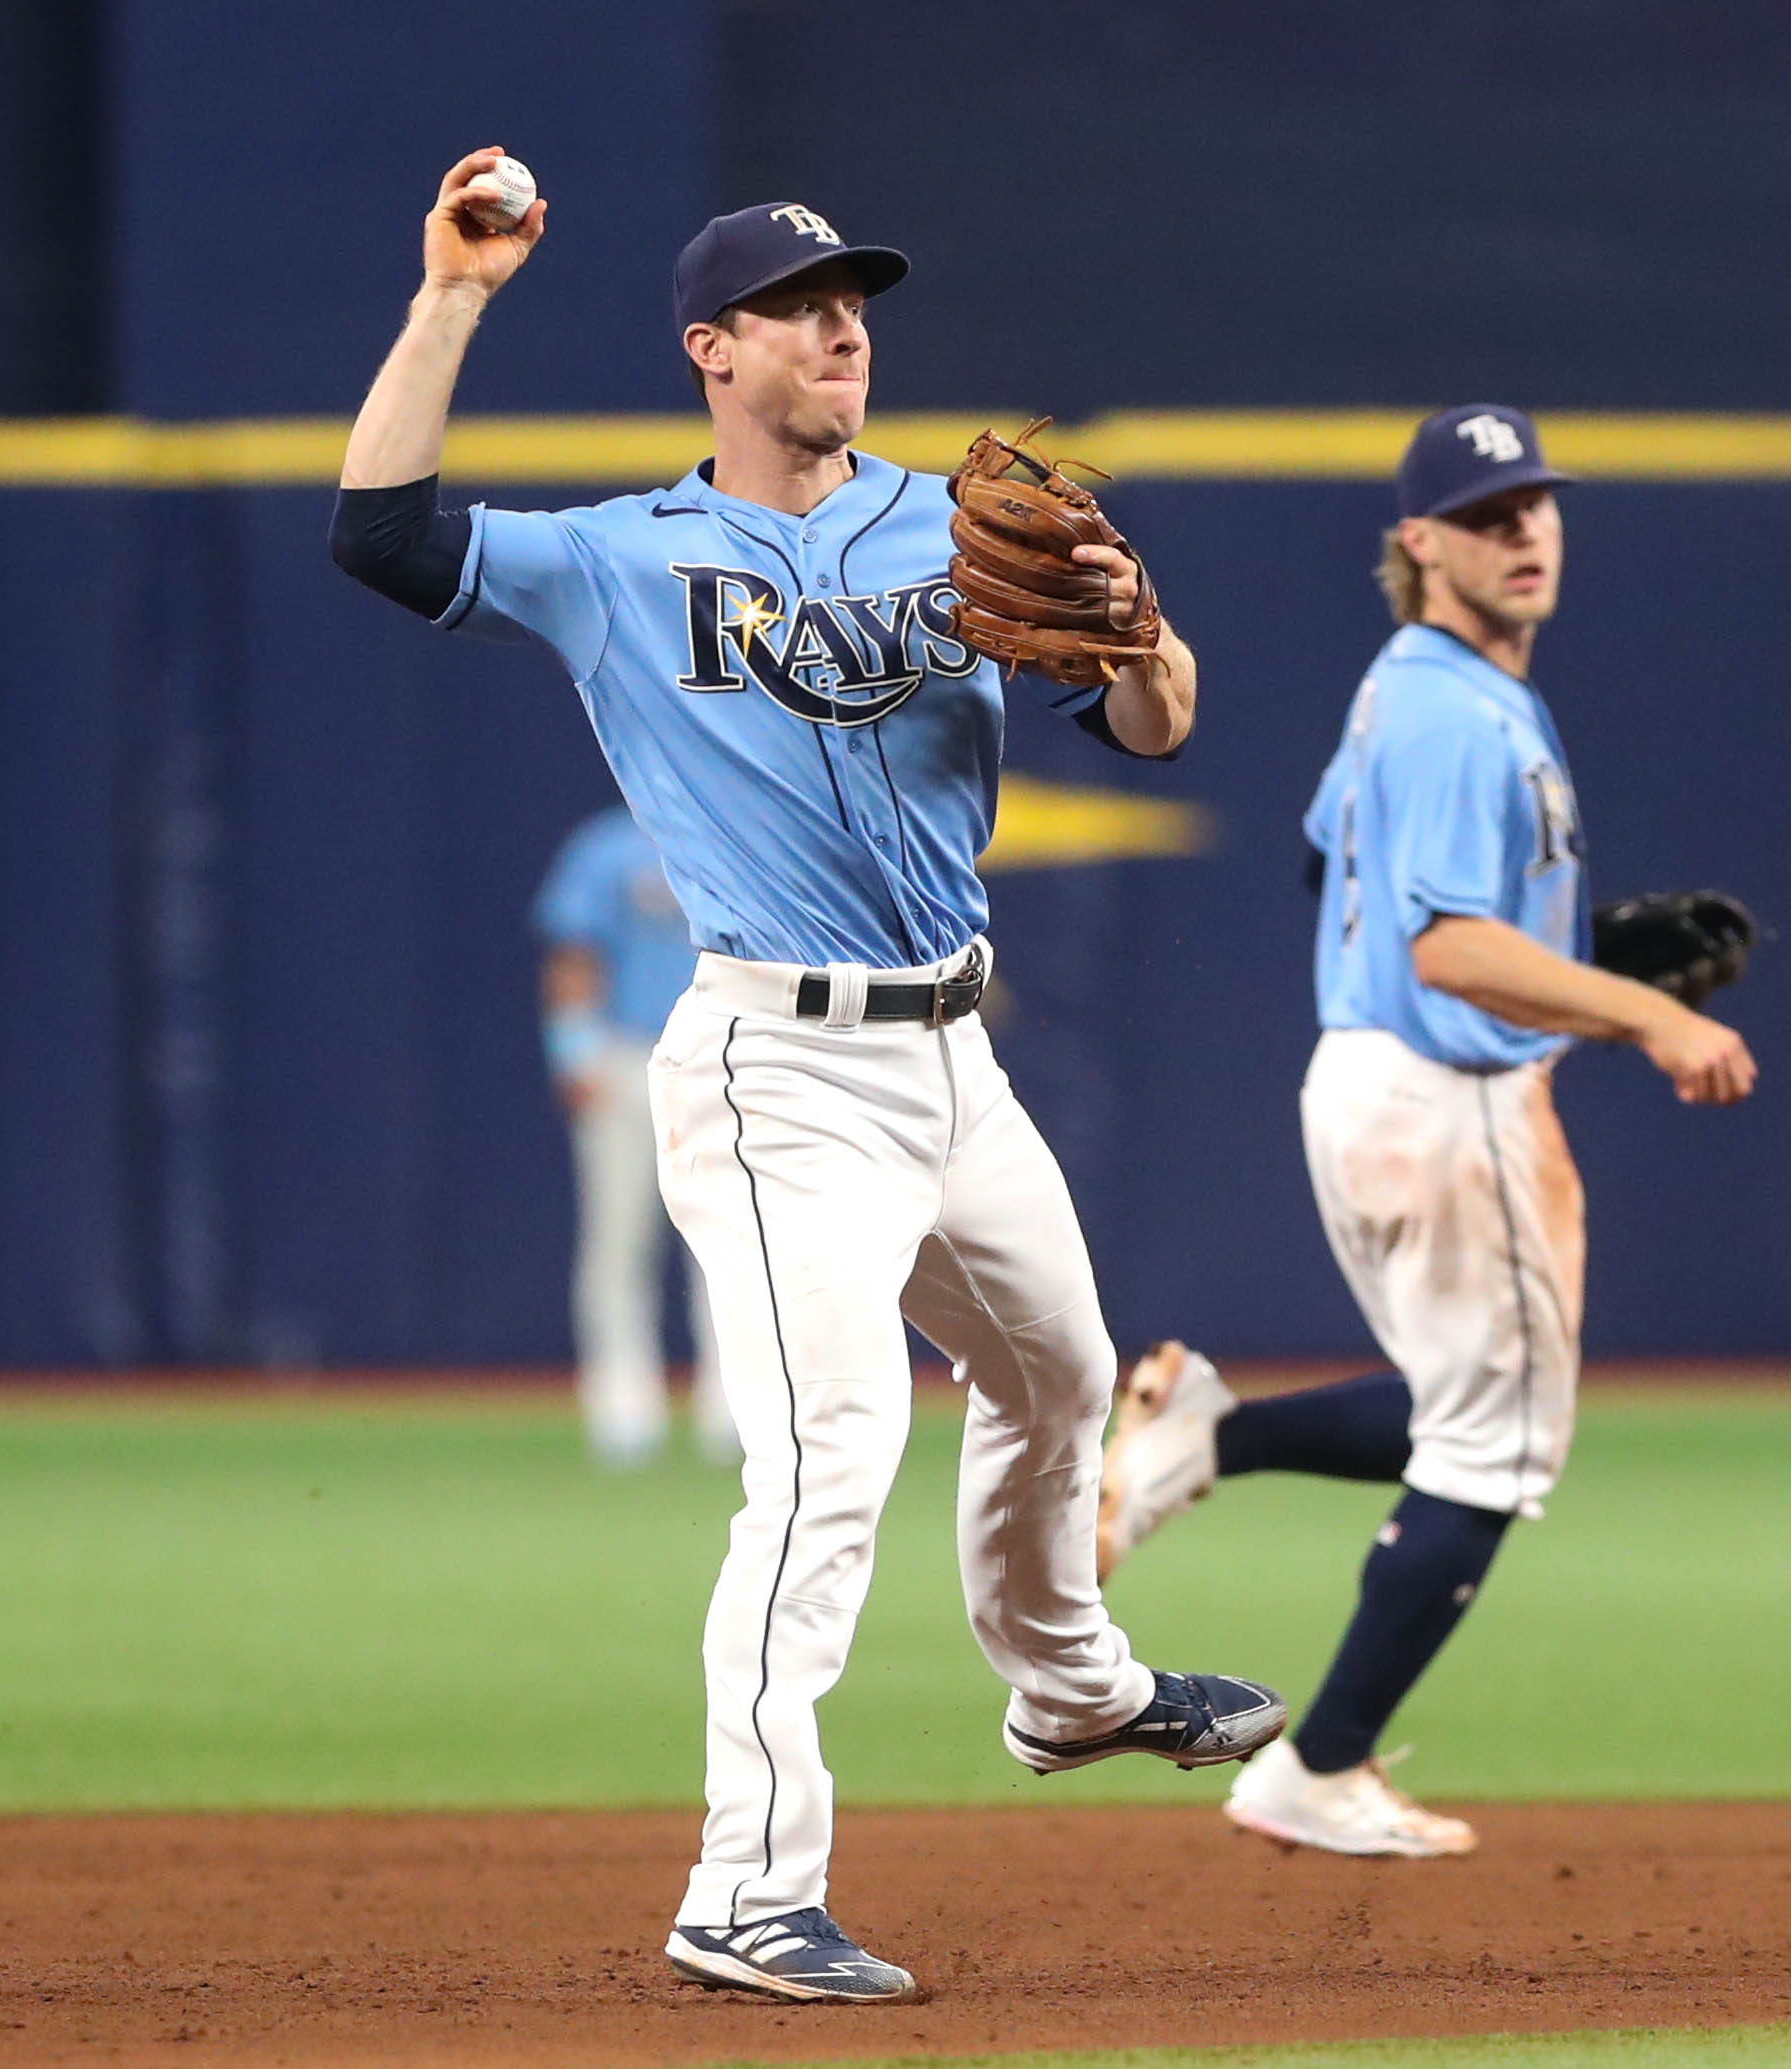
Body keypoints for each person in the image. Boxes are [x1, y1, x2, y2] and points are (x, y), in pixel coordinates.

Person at [327, 152, 1283, 2007]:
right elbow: (380, 533)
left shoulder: (959, 522)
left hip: (954, 1050)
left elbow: (1154, 726)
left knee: (1057, 1371)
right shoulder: (615, 558)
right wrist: (453, 296)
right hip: (775, 1067)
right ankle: (745, 1884)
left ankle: (1070, 1689)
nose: (845, 322)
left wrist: (1139, 628)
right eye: (800, 303)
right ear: (713, 348)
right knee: (826, 1457)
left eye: (856, 299)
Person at [1092, 405, 1757, 1858]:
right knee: (1500, 1448)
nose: (1520, 533)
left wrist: (1571, 949)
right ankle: (1315, 1765)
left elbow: (1336, 850)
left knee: (1468, 1407)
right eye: (1484, 514)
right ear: (1419, 543)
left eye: (1534, 506)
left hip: (1365, 1080)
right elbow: (1450, 948)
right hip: (1449, 1098)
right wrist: (1641, 1013)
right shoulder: (1460, 707)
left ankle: (1212, 1435)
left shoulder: (1409, 683)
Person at [534, 806, 733, 1467]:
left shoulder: (731, 827)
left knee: (729, 1245)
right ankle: (623, 1410)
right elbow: (572, 950)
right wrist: (572, 1049)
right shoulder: (606, 846)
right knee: (618, 1238)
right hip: (625, 1057)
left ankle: (732, 1408)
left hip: (718, 1058)